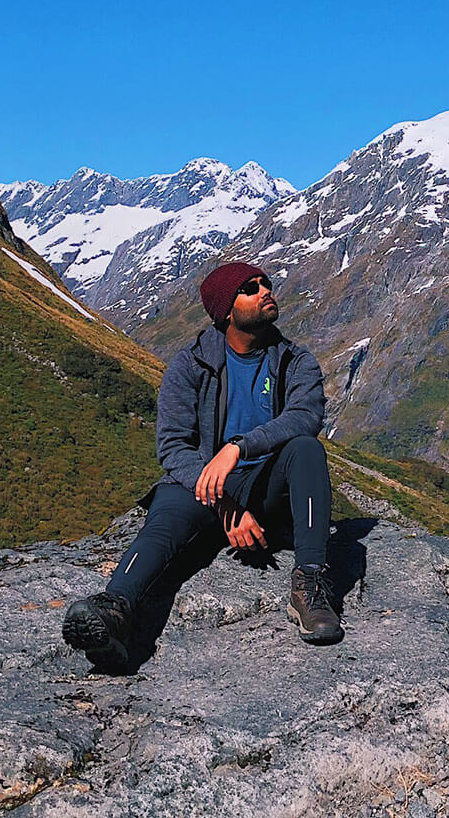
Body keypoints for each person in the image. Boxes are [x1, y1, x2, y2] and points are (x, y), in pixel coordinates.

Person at [62, 260, 341, 666]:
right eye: (251, 288)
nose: (266, 291)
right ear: (226, 310)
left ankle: (310, 585)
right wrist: (225, 503)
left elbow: (306, 416)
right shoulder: (190, 364)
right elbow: (173, 447)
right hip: (201, 488)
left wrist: (238, 448)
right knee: (164, 524)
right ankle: (114, 608)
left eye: (265, 283)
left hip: (267, 486)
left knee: (307, 449)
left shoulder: (294, 362)